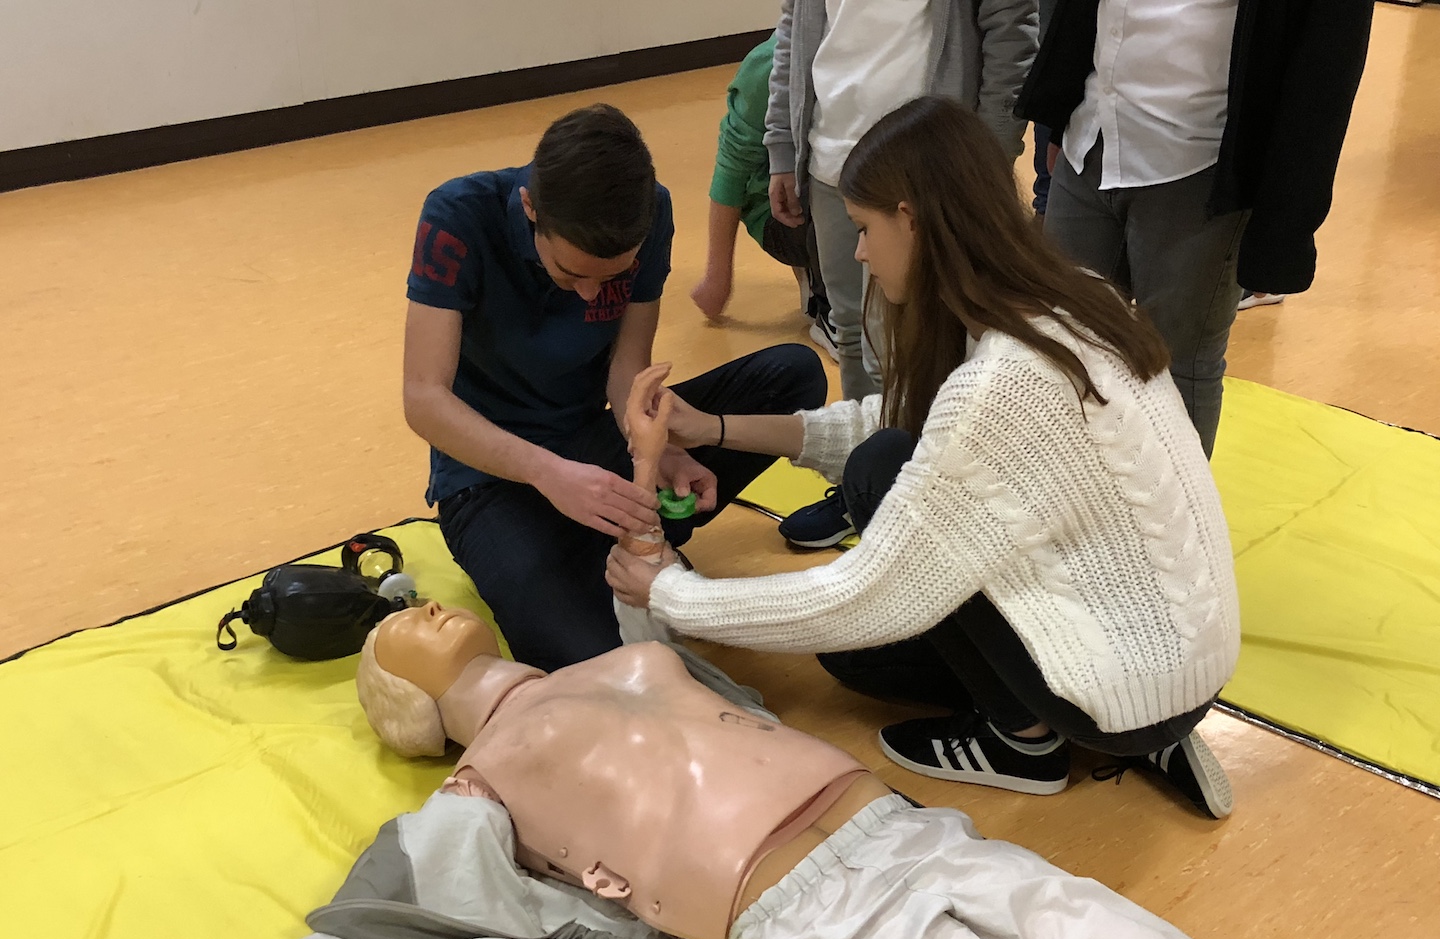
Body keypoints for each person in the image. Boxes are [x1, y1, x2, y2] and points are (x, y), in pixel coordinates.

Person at [170, 603, 1440, 939]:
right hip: (813, 930)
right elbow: (377, 911)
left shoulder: (623, 658)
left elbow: (745, 709)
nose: (416, 612)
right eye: (398, 637)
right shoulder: (478, 789)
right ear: (404, 709)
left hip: (908, 838)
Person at [607, 96, 1240, 818]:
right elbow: (903, 423)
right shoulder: (1073, 300)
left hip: (1132, 694)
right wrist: (714, 428)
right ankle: (1145, 728)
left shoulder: (1002, 388)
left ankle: (1026, 743)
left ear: (910, 219)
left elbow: (864, 595)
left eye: (863, 228)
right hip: (1183, 659)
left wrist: (671, 595)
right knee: (878, 512)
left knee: (864, 603)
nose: (859, 253)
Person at [402, 103, 827, 673]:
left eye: (610, 277)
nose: (588, 294)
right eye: (570, 273)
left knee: (793, 375)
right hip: (487, 480)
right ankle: (593, 547)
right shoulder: (458, 215)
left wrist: (656, 451)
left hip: (591, 442)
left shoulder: (651, 211)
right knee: (595, 665)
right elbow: (424, 399)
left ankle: (610, 542)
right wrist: (549, 474)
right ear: (530, 208)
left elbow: (628, 370)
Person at [1016, 0, 1374, 455]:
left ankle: (1175, 503)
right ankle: (1070, 490)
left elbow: (1327, 69)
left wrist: (1283, 225)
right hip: (1091, 135)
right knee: (1059, 343)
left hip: (1201, 163)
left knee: (1176, 363)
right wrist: (1056, 113)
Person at [766, 0, 1039, 549]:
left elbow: (1012, 31)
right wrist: (782, 143)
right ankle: (863, 488)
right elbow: (794, 27)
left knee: (923, 343)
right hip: (829, 156)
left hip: (926, 169)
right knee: (852, 333)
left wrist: (982, 157)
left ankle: (932, 499)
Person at [691, 34, 835, 362]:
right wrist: (717, 278)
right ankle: (830, 307)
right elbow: (731, 169)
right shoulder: (770, 65)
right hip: (782, 212)